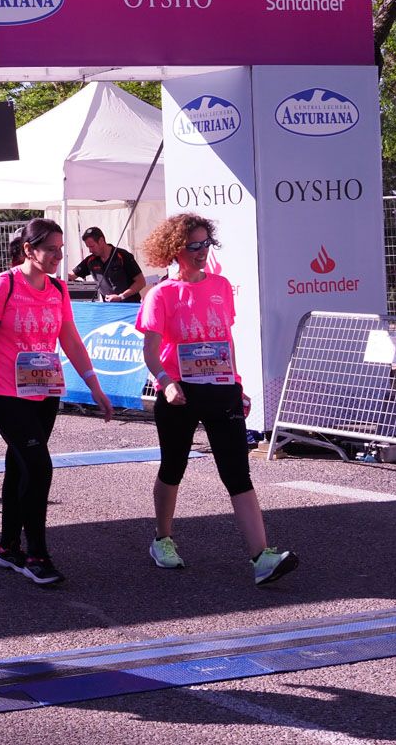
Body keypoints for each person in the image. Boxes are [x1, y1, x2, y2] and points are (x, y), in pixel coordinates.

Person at [137, 213, 299, 586]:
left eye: (206, 243)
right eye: (193, 245)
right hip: (180, 392)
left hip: (220, 389)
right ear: (175, 249)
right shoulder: (161, 294)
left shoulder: (221, 286)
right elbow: (150, 350)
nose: (201, 251)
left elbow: (224, 340)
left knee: (237, 473)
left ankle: (262, 558)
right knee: (173, 466)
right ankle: (162, 539)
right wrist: (166, 381)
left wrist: (237, 384)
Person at [0, 218, 114, 587]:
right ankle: (37, 555)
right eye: (50, 250)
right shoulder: (5, 284)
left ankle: (7, 548)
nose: (57, 258)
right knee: (39, 466)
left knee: (20, 467)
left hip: (44, 392)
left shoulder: (58, 289)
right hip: (5, 394)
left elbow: (72, 341)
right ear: (29, 250)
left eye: (61, 251)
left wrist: (95, 386)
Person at [69, 226, 147, 303]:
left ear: (101, 240)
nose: (90, 250)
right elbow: (71, 276)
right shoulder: (90, 260)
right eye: (88, 247)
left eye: (92, 246)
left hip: (129, 306)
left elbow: (141, 282)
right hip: (108, 308)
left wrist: (121, 296)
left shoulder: (123, 255)